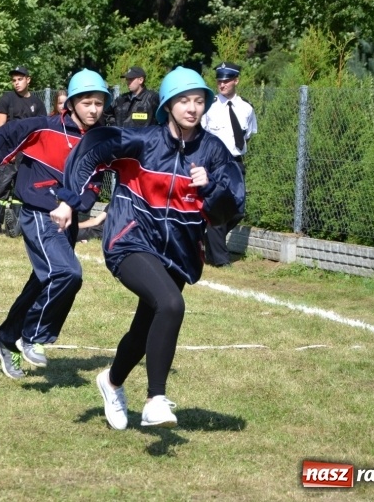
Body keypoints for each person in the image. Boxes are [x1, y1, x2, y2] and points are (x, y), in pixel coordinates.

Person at [52, 66, 245, 429]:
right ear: (169, 104)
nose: (192, 108)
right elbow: (92, 151)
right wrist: (68, 199)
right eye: (184, 100)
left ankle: (110, 382)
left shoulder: (213, 152)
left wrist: (209, 188)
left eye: (199, 100)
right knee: (171, 304)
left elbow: (228, 209)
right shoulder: (143, 142)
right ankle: (156, 399)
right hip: (130, 239)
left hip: (180, 252)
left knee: (145, 329)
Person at [0, 68, 110, 379]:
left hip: (68, 219)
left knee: (44, 281)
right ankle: (32, 336)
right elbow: (1, 137)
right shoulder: (43, 128)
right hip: (37, 212)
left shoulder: (101, 142)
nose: (93, 109)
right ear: (71, 103)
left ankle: (7, 339)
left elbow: (92, 187)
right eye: (87, 102)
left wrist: (72, 205)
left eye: (99, 103)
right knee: (67, 273)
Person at [0, 66, 47, 235]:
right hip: (7, 152)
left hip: (28, 153)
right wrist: (6, 150)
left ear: (28, 80)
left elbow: (42, 129)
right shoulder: (7, 98)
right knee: (2, 186)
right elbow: (1, 128)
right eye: (14, 80)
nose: (16, 83)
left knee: (20, 190)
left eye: (20, 79)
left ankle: (15, 226)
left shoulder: (37, 104)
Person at [200, 62, 257, 267]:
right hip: (214, 164)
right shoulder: (209, 106)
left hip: (235, 162)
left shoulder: (246, 108)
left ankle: (209, 241)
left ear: (236, 81)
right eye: (219, 81)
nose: (222, 84)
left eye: (226, 81)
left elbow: (247, 135)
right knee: (218, 208)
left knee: (237, 210)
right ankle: (221, 260)